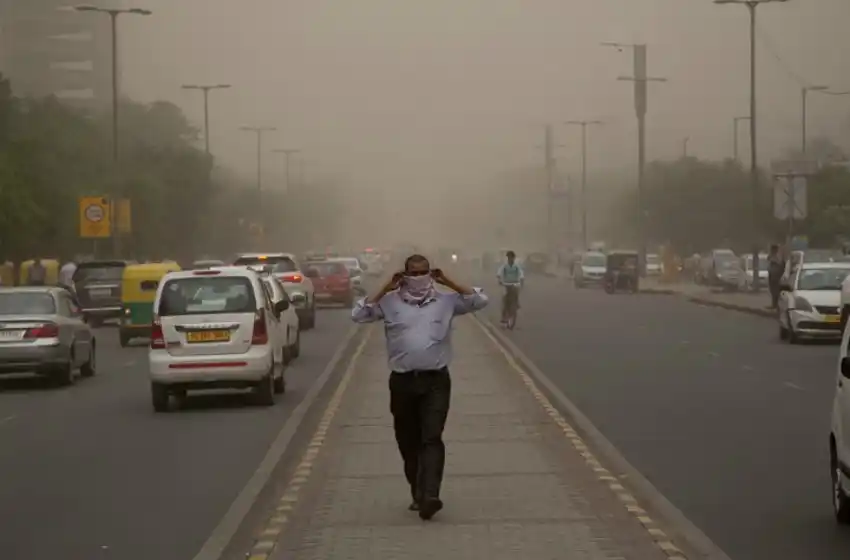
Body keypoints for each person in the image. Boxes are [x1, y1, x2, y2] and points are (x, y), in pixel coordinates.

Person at [351, 254, 488, 520]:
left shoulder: (445, 302)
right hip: (402, 382)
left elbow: (479, 300)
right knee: (408, 441)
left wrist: (447, 281)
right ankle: (417, 490)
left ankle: (431, 495)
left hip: (436, 381)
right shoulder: (389, 303)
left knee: (432, 438)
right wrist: (384, 289)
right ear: (403, 275)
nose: (418, 278)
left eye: (423, 272)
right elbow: (359, 314)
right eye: (413, 273)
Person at [496, 250, 524, 324]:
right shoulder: (505, 266)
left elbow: (521, 274)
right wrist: (499, 279)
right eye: (509, 257)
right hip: (506, 284)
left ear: (514, 258)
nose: (510, 259)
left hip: (515, 284)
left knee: (515, 295)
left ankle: (516, 304)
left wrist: (521, 281)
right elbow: (499, 272)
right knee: (505, 300)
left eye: (511, 257)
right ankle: (504, 316)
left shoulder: (516, 266)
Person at [767, 244, 785, 309]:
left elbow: (780, 264)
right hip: (772, 275)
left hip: (776, 276)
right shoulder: (772, 256)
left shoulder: (777, 257)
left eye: (772, 250)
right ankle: (774, 305)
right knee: (772, 290)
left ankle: (776, 305)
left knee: (775, 291)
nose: (771, 251)